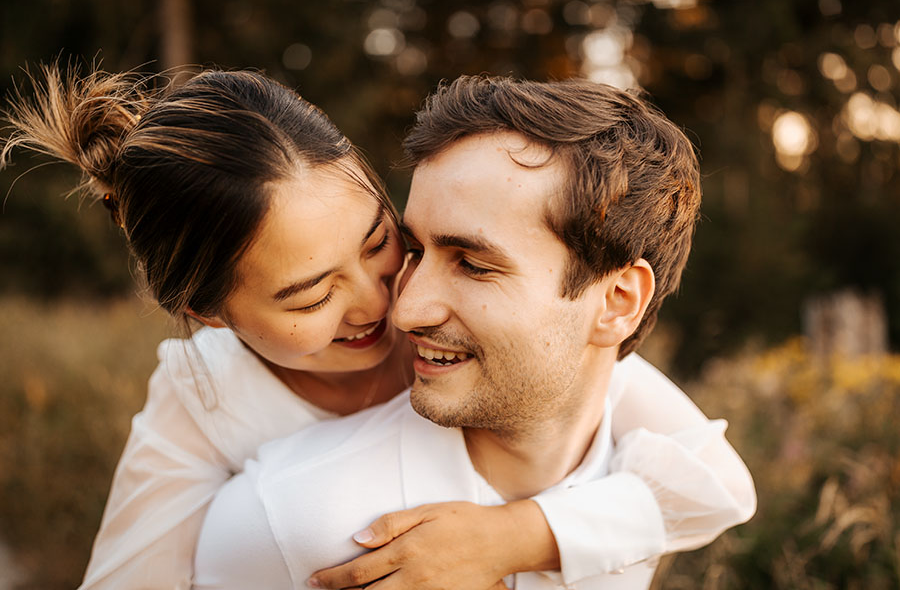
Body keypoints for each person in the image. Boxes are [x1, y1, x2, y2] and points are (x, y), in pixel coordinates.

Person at [1, 67, 754, 590]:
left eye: (379, 242)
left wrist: (517, 536)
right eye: (307, 296)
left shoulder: (466, 330)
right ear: (211, 313)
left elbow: (715, 484)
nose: (385, 304)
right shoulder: (204, 401)